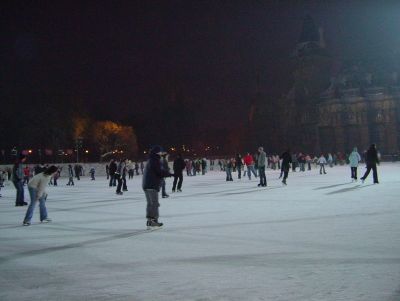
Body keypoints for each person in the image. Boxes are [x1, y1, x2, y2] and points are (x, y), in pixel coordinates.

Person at [142, 145, 173, 229]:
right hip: (152, 185)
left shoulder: (150, 160)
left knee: (150, 203)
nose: (161, 153)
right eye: (160, 152)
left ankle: (149, 220)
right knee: (155, 204)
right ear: (157, 152)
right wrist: (169, 174)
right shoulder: (155, 160)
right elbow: (159, 172)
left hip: (146, 185)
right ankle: (154, 221)